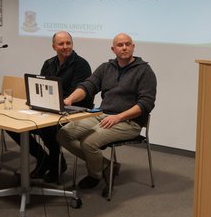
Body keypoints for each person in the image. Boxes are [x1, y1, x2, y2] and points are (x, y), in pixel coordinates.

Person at [57, 33, 157, 193]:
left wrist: (119, 117)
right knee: (63, 134)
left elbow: (146, 104)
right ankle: (106, 166)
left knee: (89, 142)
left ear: (133, 47)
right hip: (102, 115)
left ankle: (95, 175)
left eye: (127, 44)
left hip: (129, 121)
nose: (124, 47)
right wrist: (69, 99)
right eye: (120, 45)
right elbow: (88, 86)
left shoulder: (144, 71)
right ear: (113, 49)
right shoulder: (106, 68)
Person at [7, 31, 93, 183]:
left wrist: (53, 101)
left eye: (68, 43)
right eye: (61, 44)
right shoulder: (49, 63)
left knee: (48, 128)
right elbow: (42, 87)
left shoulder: (82, 64)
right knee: (14, 125)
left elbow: (75, 94)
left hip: (74, 112)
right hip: (50, 109)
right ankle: (43, 158)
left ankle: (55, 164)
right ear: (54, 47)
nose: (65, 47)